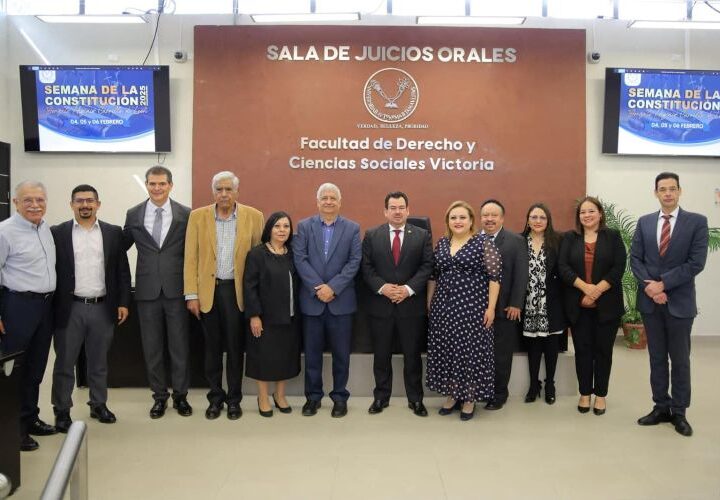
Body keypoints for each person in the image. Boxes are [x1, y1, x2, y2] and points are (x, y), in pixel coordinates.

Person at [631, 172, 708, 437]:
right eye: (662, 189)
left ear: (679, 191)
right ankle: (661, 407)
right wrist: (651, 288)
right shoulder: (644, 222)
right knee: (656, 358)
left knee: (680, 360)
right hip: (650, 302)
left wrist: (662, 285)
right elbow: (635, 259)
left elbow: (696, 263)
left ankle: (680, 412)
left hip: (680, 303)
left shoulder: (696, 222)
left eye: (672, 189)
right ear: (656, 193)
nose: (667, 193)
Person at [51, 185, 131, 432]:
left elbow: (122, 271)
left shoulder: (113, 233)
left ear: (98, 204)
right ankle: (62, 410)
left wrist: (123, 302)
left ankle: (98, 404)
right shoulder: (57, 233)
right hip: (70, 308)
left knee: (99, 362)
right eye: (79, 201)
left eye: (89, 200)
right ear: (71, 204)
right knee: (65, 363)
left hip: (102, 307)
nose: (85, 205)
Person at [184, 171, 263, 420]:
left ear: (237, 192)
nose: (224, 194)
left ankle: (234, 400)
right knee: (212, 349)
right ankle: (215, 399)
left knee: (235, 348)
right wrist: (191, 294)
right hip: (208, 292)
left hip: (237, 293)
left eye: (229, 189)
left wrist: (256, 299)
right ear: (213, 192)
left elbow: (259, 261)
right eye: (219, 189)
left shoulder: (254, 217)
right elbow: (190, 258)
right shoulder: (197, 217)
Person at [123, 166, 193, 419]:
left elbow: (193, 252)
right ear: (146, 185)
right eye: (152, 183)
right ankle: (159, 397)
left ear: (170, 185)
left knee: (179, 347)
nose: (157, 188)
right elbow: (120, 248)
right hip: (146, 291)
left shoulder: (186, 214)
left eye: (162, 183)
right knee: (152, 348)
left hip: (177, 290)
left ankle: (181, 397)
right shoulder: (134, 214)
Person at [426, 201, 501, 421]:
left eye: (462, 217)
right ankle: (452, 395)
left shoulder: (483, 243)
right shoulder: (442, 243)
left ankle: (469, 399)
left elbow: (495, 278)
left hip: (472, 309)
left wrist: (491, 308)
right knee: (449, 350)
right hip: (443, 308)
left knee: (469, 353)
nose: (457, 221)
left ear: (471, 221)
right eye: (453, 218)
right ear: (447, 221)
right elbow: (433, 275)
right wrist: (430, 303)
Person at [361, 192, 433, 417]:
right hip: (380, 306)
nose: (397, 211)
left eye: (401, 207)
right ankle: (381, 397)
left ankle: (416, 399)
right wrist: (383, 287)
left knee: (412, 356)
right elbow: (366, 267)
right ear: (385, 211)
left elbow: (427, 266)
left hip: (411, 307)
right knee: (381, 355)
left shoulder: (422, 235)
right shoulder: (372, 235)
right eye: (393, 208)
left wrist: (407, 289)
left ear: (408, 210)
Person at [292, 183, 361, 418]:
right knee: (312, 356)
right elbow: (300, 259)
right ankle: (313, 397)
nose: (329, 201)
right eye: (324, 198)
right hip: (312, 303)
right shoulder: (304, 227)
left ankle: (340, 398)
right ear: (317, 202)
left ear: (340, 202)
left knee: (341, 356)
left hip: (341, 303)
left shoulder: (352, 228)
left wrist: (333, 288)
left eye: (333, 198)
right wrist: (318, 288)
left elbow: (354, 261)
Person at [0, 181, 57, 452]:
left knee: (36, 368)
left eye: (40, 199)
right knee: (15, 371)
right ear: (16, 203)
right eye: (28, 200)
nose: (35, 205)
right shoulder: (5, 232)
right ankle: (14, 431)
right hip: (18, 306)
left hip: (45, 307)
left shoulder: (44, 228)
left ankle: (30, 418)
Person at [559, 196, 625, 416]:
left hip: (607, 306)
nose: (586, 215)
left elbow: (618, 267)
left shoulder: (612, 236)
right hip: (578, 306)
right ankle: (585, 393)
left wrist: (597, 290)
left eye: (591, 211)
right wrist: (585, 289)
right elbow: (563, 267)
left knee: (603, 352)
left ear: (600, 213)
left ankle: (601, 395)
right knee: (583, 351)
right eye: (582, 212)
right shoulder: (570, 238)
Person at [243, 211, 300, 417]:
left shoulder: (293, 253)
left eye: (286, 226)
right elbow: (249, 287)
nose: (282, 230)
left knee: (285, 357)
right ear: (269, 229)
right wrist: (254, 316)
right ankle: (263, 397)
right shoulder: (257, 254)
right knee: (264, 358)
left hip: (290, 317)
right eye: (277, 226)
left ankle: (280, 395)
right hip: (265, 319)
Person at [480, 199, 529, 410]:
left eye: (494, 215)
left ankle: (499, 394)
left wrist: (516, 303)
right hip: (476, 308)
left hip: (505, 308)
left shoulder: (515, 241)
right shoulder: (473, 239)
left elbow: (521, 274)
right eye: (485, 215)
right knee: (478, 353)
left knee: (501, 354)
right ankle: (480, 390)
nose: (489, 219)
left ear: (502, 218)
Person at [520, 203, 566, 405]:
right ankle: (533, 385)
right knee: (533, 346)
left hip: (552, 302)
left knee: (551, 346)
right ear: (528, 220)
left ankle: (550, 385)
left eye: (542, 217)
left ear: (548, 221)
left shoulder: (558, 241)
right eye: (534, 217)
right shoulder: (520, 241)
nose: (538, 221)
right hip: (528, 303)